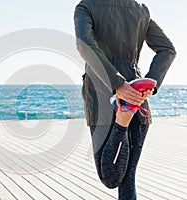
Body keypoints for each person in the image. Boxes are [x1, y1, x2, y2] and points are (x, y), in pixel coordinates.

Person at [74, 0, 176, 199]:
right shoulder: (140, 9)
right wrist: (150, 83)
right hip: (137, 95)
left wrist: (117, 84)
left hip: (101, 96)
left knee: (110, 177)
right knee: (127, 179)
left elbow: (83, 43)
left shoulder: (86, 7)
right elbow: (168, 50)